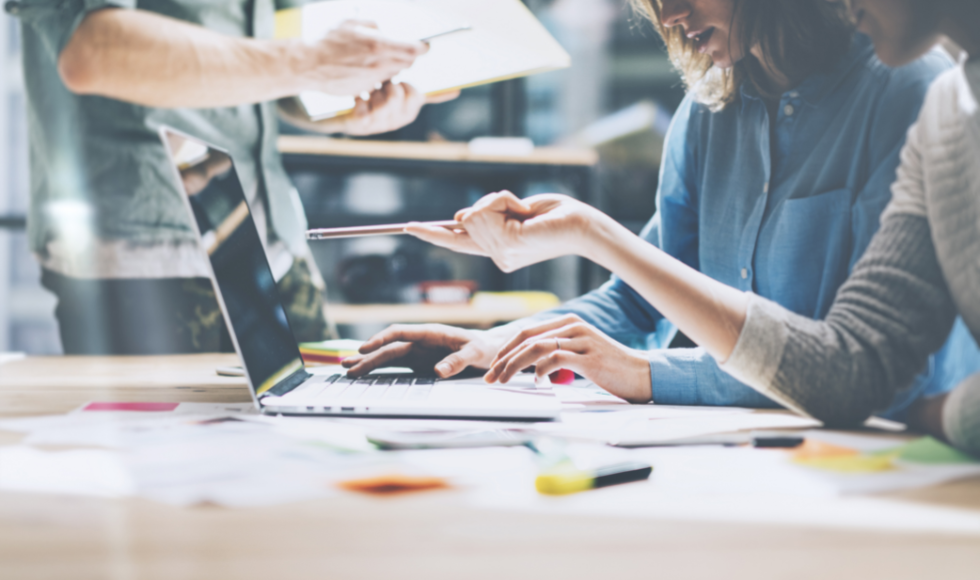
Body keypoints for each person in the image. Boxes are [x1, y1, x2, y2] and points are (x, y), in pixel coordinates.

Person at [344, 0, 978, 423]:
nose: (671, 15)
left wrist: (647, 372)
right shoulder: (709, 112)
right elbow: (642, 304)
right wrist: (494, 346)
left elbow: (854, 367)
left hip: (883, 450)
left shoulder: (914, 90)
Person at [8, 0, 456, 354]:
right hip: (148, 256)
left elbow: (263, 65)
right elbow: (92, 49)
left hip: (275, 241)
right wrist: (308, 61)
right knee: (173, 465)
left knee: (322, 445)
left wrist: (343, 105)